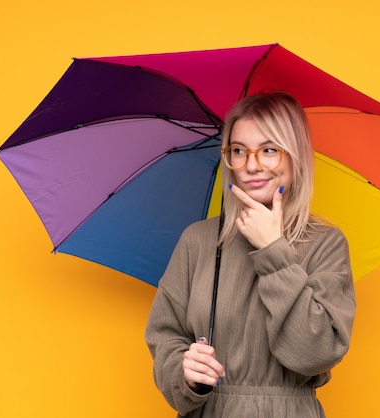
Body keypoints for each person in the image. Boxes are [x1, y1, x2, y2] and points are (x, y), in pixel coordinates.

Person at [145, 91, 355, 417]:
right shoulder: (198, 240)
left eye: (269, 150)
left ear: (295, 156)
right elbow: (166, 336)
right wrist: (188, 372)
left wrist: (273, 251)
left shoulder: (326, 244)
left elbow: (316, 353)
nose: (252, 165)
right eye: (239, 151)